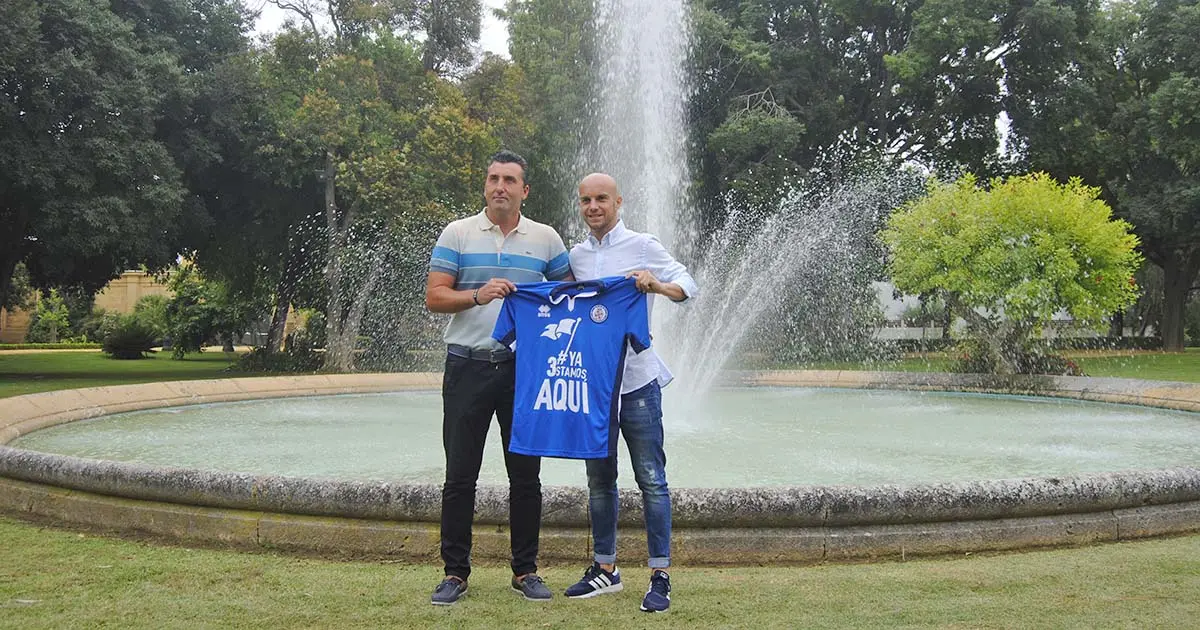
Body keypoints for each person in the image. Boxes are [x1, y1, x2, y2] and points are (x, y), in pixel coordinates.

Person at [425, 150, 572, 605]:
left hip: (524, 372)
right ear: (485, 185)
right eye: (493, 179)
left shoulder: (546, 239)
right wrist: (478, 295)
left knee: (526, 476)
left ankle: (525, 570)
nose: (500, 187)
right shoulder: (458, 233)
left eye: (510, 180)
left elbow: (569, 297)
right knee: (459, 476)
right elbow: (434, 297)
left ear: (524, 190)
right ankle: (455, 573)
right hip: (467, 364)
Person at [562, 172, 698, 613]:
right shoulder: (576, 256)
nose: (593, 207)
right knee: (599, 480)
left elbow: (686, 283)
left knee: (652, 480)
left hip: (638, 381)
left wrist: (654, 284)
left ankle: (660, 576)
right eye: (585, 200)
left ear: (618, 202)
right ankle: (606, 568)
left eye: (601, 198)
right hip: (594, 385)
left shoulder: (643, 245)